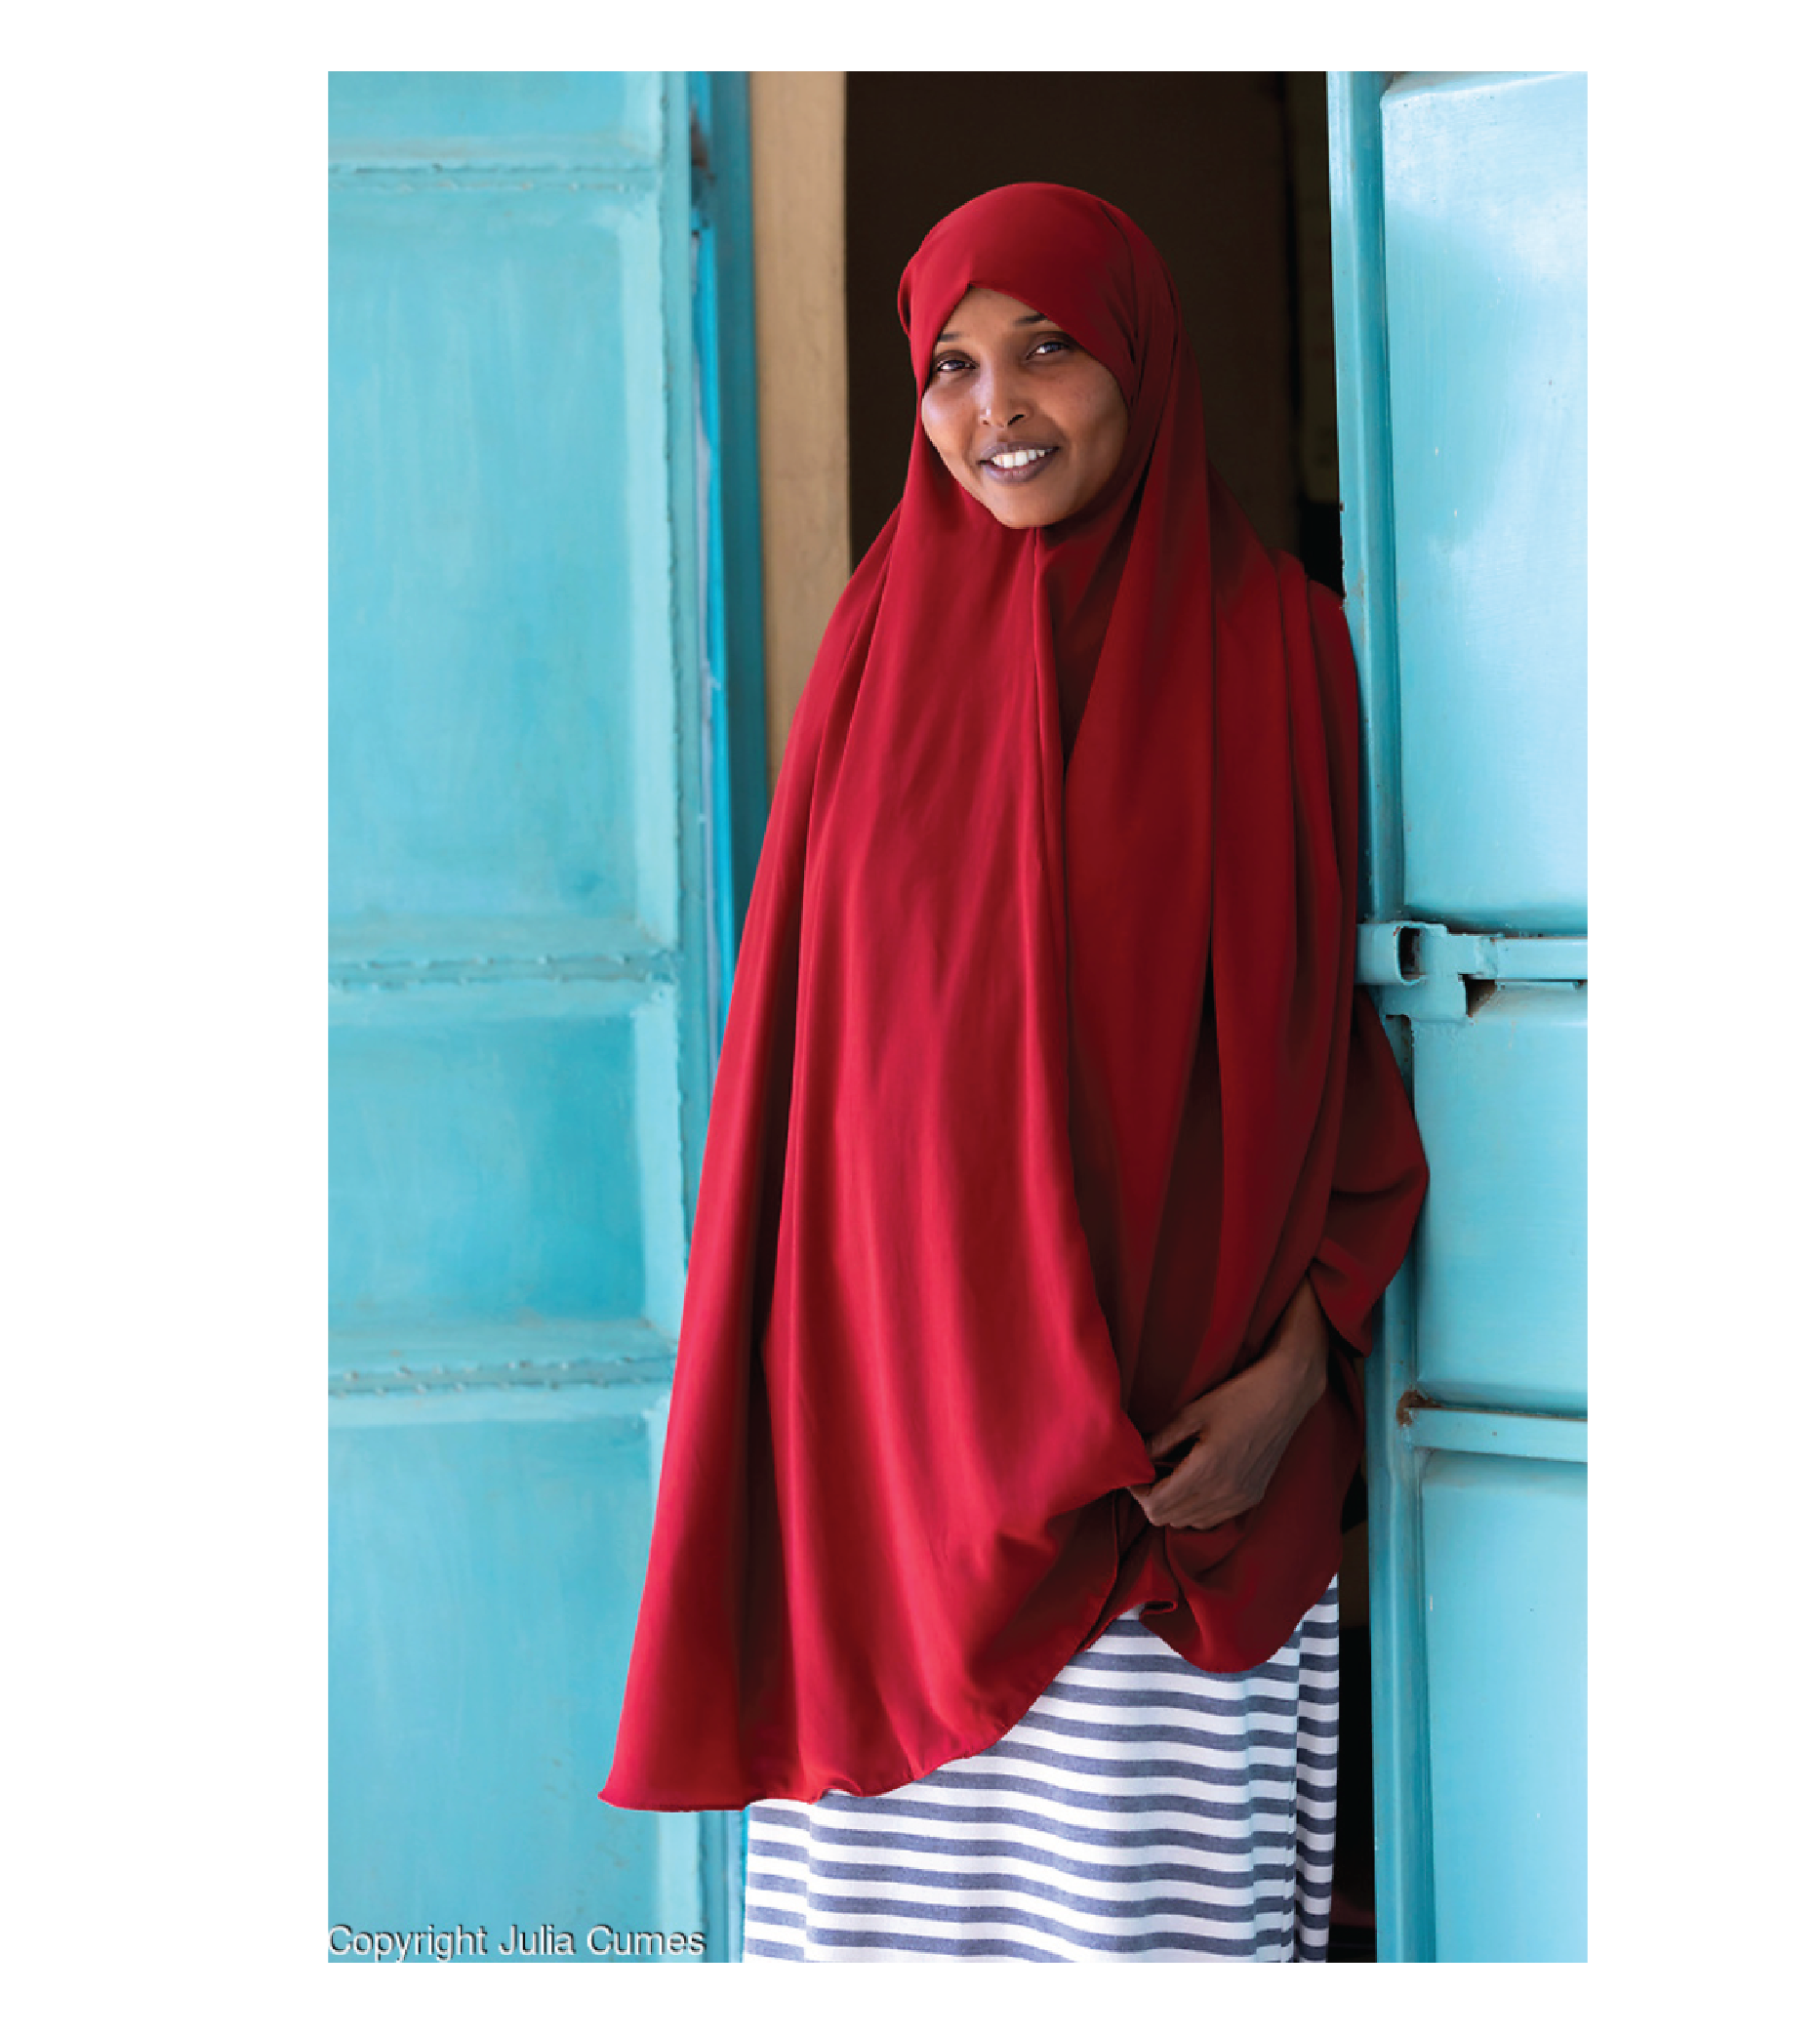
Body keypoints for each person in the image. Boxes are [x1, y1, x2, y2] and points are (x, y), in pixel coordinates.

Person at [599, 183, 1428, 1965]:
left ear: (1140, 354)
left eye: (1049, 346)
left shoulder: (1287, 654)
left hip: (1185, 1488)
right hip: (903, 1477)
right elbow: (812, 1119)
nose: (1002, 409)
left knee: (1143, 1919)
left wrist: (1301, 1370)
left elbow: (1352, 1062)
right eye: (953, 369)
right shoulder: (876, 660)